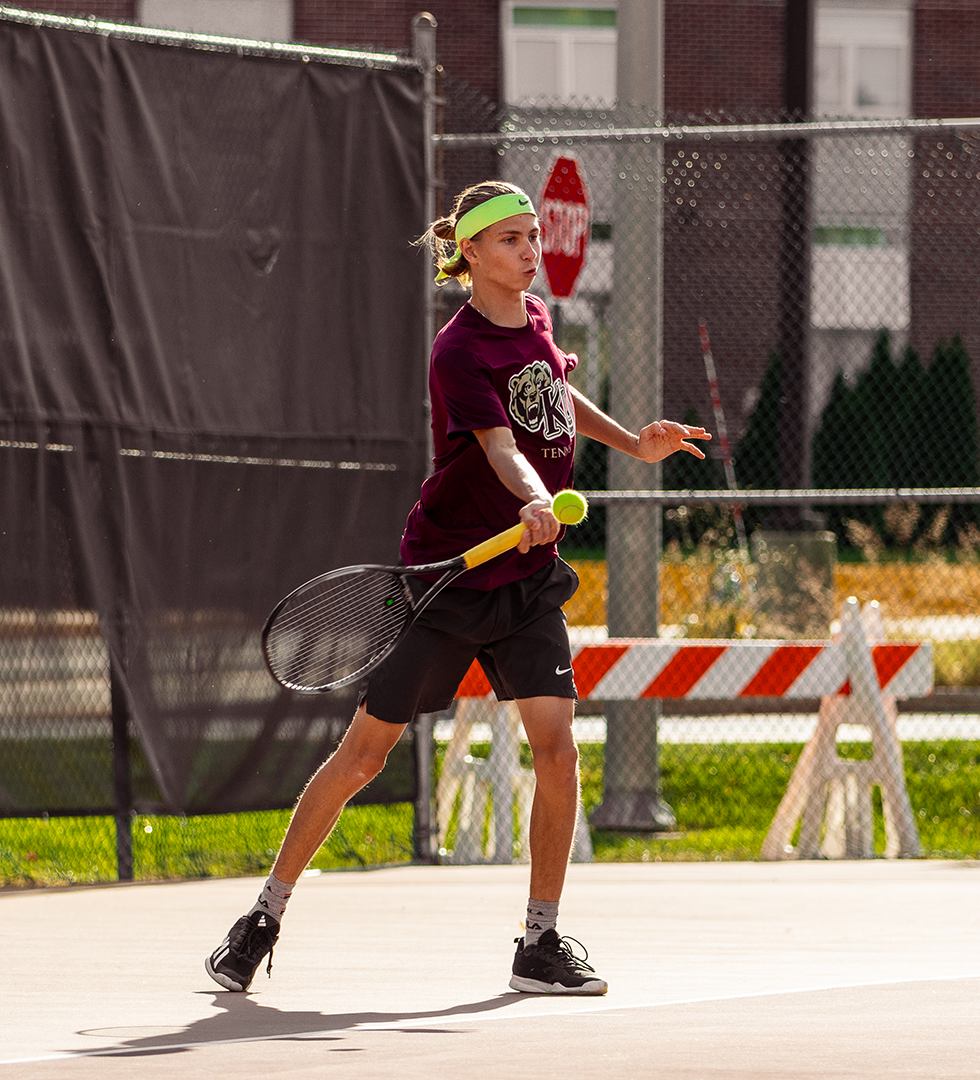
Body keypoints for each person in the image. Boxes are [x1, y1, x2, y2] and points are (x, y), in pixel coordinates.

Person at [205, 180, 709, 996]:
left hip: (526, 582)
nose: (528, 250)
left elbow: (553, 396)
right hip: (450, 578)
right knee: (362, 757)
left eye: (530, 237)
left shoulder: (536, 321)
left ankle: (539, 944)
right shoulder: (457, 350)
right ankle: (262, 917)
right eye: (510, 239)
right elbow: (501, 444)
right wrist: (533, 497)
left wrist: (631, 441)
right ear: (469, 252)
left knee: (556, 747)